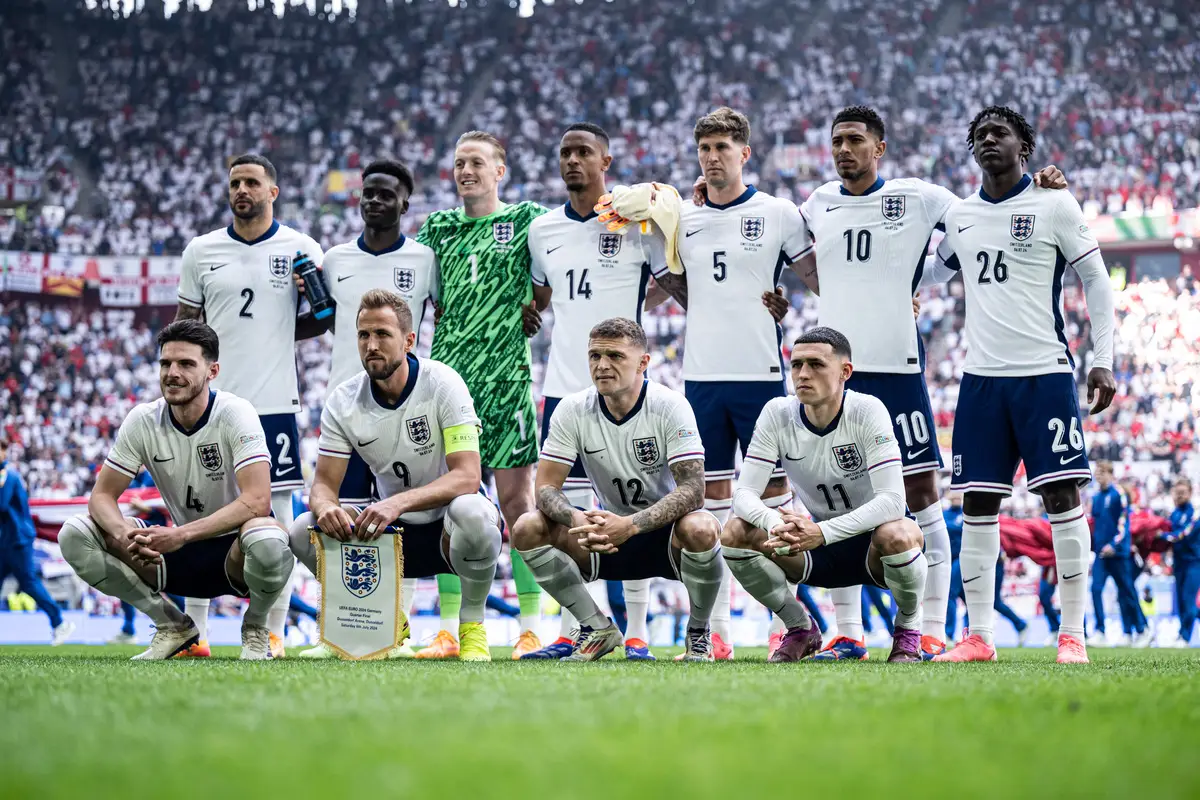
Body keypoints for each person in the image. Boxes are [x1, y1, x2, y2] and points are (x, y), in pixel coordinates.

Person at [799, 106, 1068, 661]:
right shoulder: (816, 204)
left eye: (855, 140)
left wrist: (1040, 188)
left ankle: (931, 629)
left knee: (921, 496)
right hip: (834, 374)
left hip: (896, 369)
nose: (844, 150)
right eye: (836, 142)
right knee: (839, 500)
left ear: (880, 147)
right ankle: (848, 631)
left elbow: (979, 220)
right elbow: (776, 246)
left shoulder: (920, 196)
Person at [929, 106, 1116, 665]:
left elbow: (1097, 281)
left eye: (1000, 133)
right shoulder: (960, 216)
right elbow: (933, 270)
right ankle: (980, 636)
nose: (989, 140)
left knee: (1061, 498)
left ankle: (1073, 634)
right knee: (978, 504)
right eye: (980, 135)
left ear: (1024, 147)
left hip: (1045, 376)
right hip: (981, 381)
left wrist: (1101, 361)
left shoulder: (1054, 203)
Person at [648, 107, 814, 659]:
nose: (713, 157)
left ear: (745, 153)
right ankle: (715, 630)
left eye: (722, 148)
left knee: (771, 501)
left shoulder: (778, 213)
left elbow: (817, 278)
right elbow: (671, 287)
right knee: (710, 503)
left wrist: (786, 303)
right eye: (705, 149)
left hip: (762, 376)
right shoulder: (686, 221)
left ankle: (782, 625)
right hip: (702, 380)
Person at [518, 123, 678, 661]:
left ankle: (635, 632)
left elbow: (671, 284)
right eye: (564, 153)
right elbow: (540, 295)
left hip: (624, 394)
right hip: (563, 391)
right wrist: (531, 314)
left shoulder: (635, 221)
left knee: (631, 505)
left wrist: (631, 316)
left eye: (583, 152)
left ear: (606, 160)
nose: (572, 161)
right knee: (567, 514)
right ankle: (576, 629)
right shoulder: (542, 230)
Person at [57, 320, 295, 660]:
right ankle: (171, 625)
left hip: (237, 555)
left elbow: (257, 501)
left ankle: (256, 627)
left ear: (212, 371)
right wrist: (124, 533)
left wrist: (180, 534)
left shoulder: (235, 412)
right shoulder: (142, 420)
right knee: (74, 534)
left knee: (269, 538)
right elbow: (102, 496)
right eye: (166, 363)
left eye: (186, 364)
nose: (172, 373)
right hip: (173, 557)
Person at [289, 289, 502, 661]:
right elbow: (323, 485)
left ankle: (471, 630)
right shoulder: (343, 400)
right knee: (300, 529)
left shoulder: (444, 383)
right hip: (389, 537)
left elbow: (467, 476)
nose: (371, 345)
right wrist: (326, 509)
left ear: (408, 341)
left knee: (475, 514)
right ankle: (379, 626)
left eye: (382, 335)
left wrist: (395, 503)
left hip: (449, 532)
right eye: (363, 335)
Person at [175, 153, 325, 658]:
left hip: (274, 405)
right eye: (235, 182)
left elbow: (323, 317)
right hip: (209, 408)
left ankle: (272, 631)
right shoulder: (201, 250)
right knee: (200, 510)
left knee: (276, 522)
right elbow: (186, 328)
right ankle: (194, 632)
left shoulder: (301, 247)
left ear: (272, 192)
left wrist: (283, 333)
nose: (242, 189)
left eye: (252, 182)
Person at [512, 317, 724, 662]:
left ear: (643, 362)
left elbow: (694, 490)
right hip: (604, 537)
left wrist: (630, 525)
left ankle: (699, 632)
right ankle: (595, 627)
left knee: (702, 527)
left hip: (666, 538)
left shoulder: (670, 405)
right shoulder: (572, 409)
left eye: (615, 356)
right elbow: (546, 487)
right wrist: (578, 519)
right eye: (595, 356)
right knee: (527, 527)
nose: (602, 365)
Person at [294, 158, 437, 658]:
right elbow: (323, 321)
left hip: (407, 409)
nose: (374, 201)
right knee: (339, 519)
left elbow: (446, 318)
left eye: (385, 194)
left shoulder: (424, 259)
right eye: (368, 193)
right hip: (348, 409)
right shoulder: (333, 260)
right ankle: (337, 634)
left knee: (400, 524)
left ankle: (398, 633)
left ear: (404, 202)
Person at [413, 131, 546, 659]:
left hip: (507, 378)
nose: (466, 171)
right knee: (452, 500)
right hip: (449, 381)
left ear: (500, 170)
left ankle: (532, 627)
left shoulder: (528, 219)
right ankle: (452, 629)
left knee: (519, 503)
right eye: (459, 163)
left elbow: (556, 266)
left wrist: (539, 303)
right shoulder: (437, 228)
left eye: (477, 163)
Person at [721, 327, 929, 663]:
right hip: (815, 548)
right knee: (734, 532)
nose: (803, 374)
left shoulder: (866, 410)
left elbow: (892, 501)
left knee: (900, 532)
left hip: (873, 549)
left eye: (816, 364)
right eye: (796, 364)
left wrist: (821, 532)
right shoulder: (777, 413)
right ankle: (799, 627)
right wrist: (775, 522)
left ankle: (908, 631)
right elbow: (744, 494)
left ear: (845, 372)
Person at [0, 439, 75, 645]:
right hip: (6, 540)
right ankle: (59, 623)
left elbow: (2, 504)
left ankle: (60, 623)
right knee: (27, 582)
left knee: (28, 582)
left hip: (18, 540)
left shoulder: (10, 476)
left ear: (5, 453)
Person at [1089, 462, 1148, 646]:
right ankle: (1100, 631)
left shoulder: (1119, 494)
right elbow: (1095, 525)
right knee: (1095, 589)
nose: (1098, 476)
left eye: (1102, 472)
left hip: (1118, 553)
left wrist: (1114, 544)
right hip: (1101, 554)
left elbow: (1124, 523)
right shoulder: (1097, 497)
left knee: (1126, 591)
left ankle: (1141, 630)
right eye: (1097, 473)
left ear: (1110, 474)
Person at [1164, 477, 1199, 646]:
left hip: (1194, 562)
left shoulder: (1195, 514)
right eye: (1177, 493)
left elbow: (1182, 535)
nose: (1179, 496)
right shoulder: (1175, 514)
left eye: (1182, 493)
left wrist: (1162, 536)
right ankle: (1182, 633)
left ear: (1190, 493)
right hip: (1178, 562)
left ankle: (1184, 636)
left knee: (1188, 599)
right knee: (1181, 600)